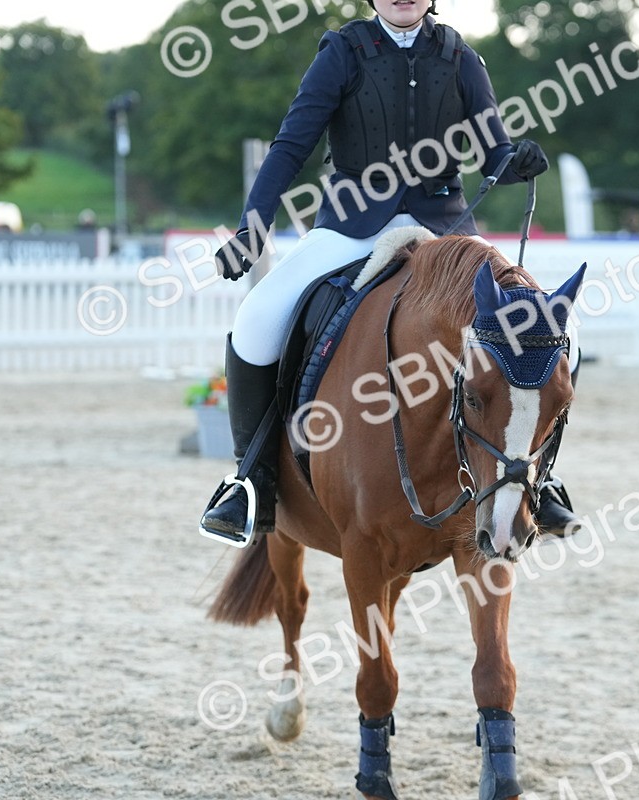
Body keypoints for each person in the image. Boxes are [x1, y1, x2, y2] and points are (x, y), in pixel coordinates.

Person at [200, 0, 579, 541]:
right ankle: (251, 481)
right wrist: (251, 229)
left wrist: (514, 161)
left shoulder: (460, 56)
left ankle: (541, 478)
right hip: (353, 225)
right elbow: (291, 146)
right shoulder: (341, 52)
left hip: (445, 231)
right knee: (257, 318)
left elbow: (492, 152)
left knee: (549, 327)